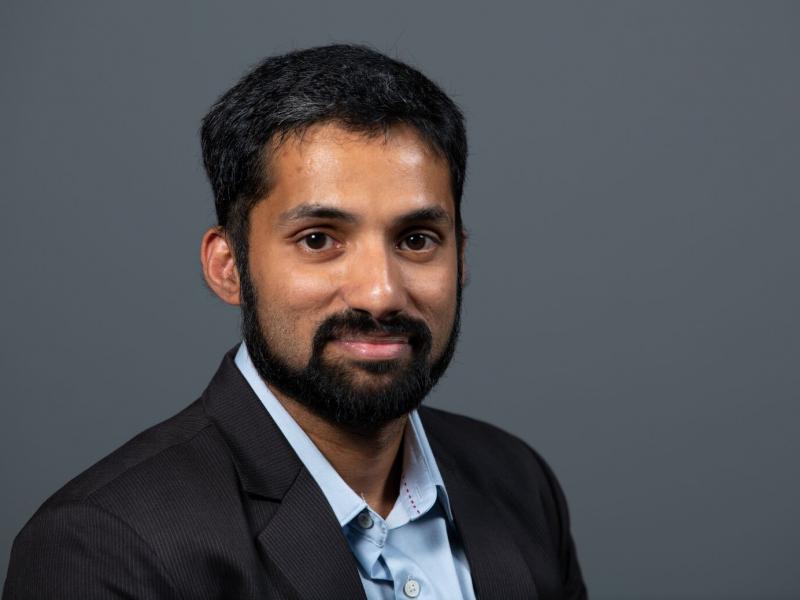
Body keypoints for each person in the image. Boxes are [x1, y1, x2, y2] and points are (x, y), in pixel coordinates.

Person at [3, 44, 587, 600]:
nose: (380, 294)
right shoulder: (106, 547)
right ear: (228, 266)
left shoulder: (518, 481)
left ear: (460, 255)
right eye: (318, 240)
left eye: (416, 239)